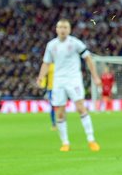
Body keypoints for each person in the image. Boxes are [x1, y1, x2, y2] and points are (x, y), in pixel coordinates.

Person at [36, 19, 102, 152]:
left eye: (65, 27)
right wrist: (40, 77)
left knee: (80, 108)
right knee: (59, 113)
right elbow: (46, 63)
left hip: (74, 80)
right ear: (56, 29)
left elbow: (88, 58)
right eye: (60, 27)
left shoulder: (75, 43)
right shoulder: (51, 45)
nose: (62, 30)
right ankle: (65, 143)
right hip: (58, 81)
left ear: (69, 29)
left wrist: (95, 76)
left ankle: (91, 140)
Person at [39, 63, 57, 130]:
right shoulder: (49, 65)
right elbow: (44, 75)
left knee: (60, 106)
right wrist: (42, 84)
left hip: (60, 88)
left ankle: (61, 122)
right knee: (52, 106)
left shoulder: (60, 63)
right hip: (51, 89)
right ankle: (54, 124)